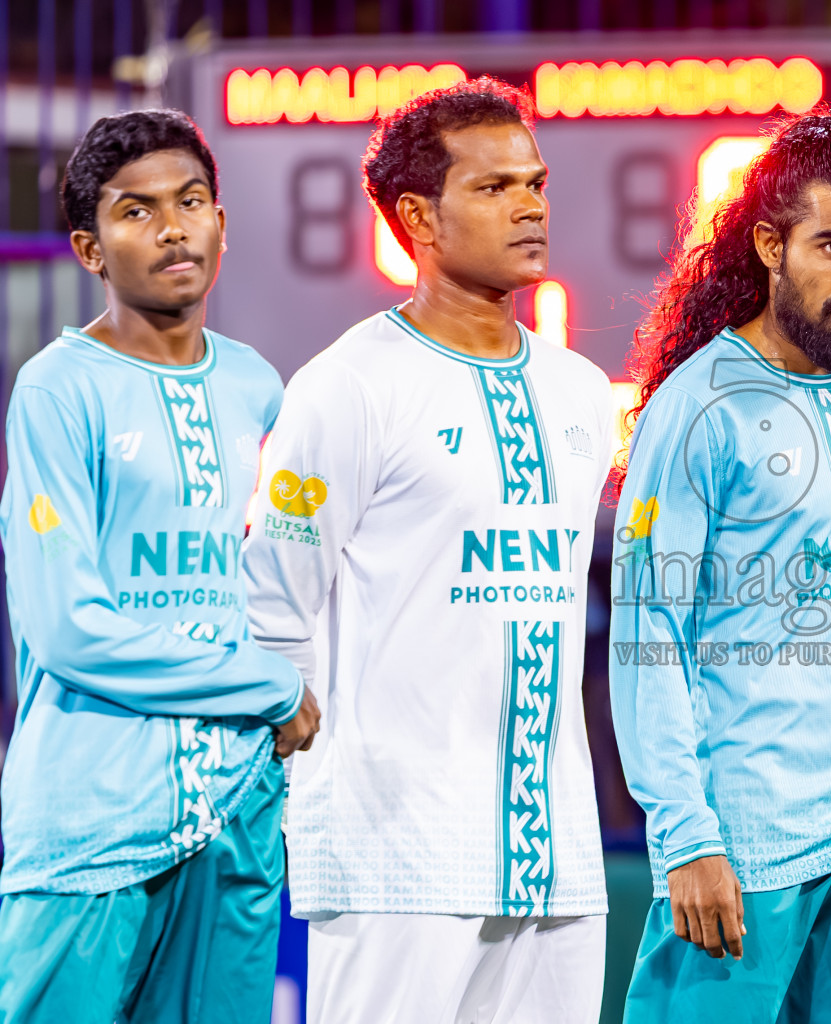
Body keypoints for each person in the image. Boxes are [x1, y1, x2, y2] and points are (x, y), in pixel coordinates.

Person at [241, 78, 612, 1022]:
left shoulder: (579, 392)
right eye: (493, 189)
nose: (530, 205)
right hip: (393, 859)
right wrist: (307, 796)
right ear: (419, 217)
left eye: (533, 183)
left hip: (559, 856)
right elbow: (271, 610)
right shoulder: (348, 388)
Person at [0, 109, 319, 1023]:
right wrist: (262, 685)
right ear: (88, 249)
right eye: (135, 212)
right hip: (91, 824)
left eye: (190, 201)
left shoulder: (260, 385)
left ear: (222, 220)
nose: (172, 227)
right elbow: (67, 628)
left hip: (235, 816)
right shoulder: (58, 390)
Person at [609, 112, 831, 1023]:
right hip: (743, 847)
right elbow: (645, 633)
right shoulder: (698, 409)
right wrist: (686, 837)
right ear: (771, 244)